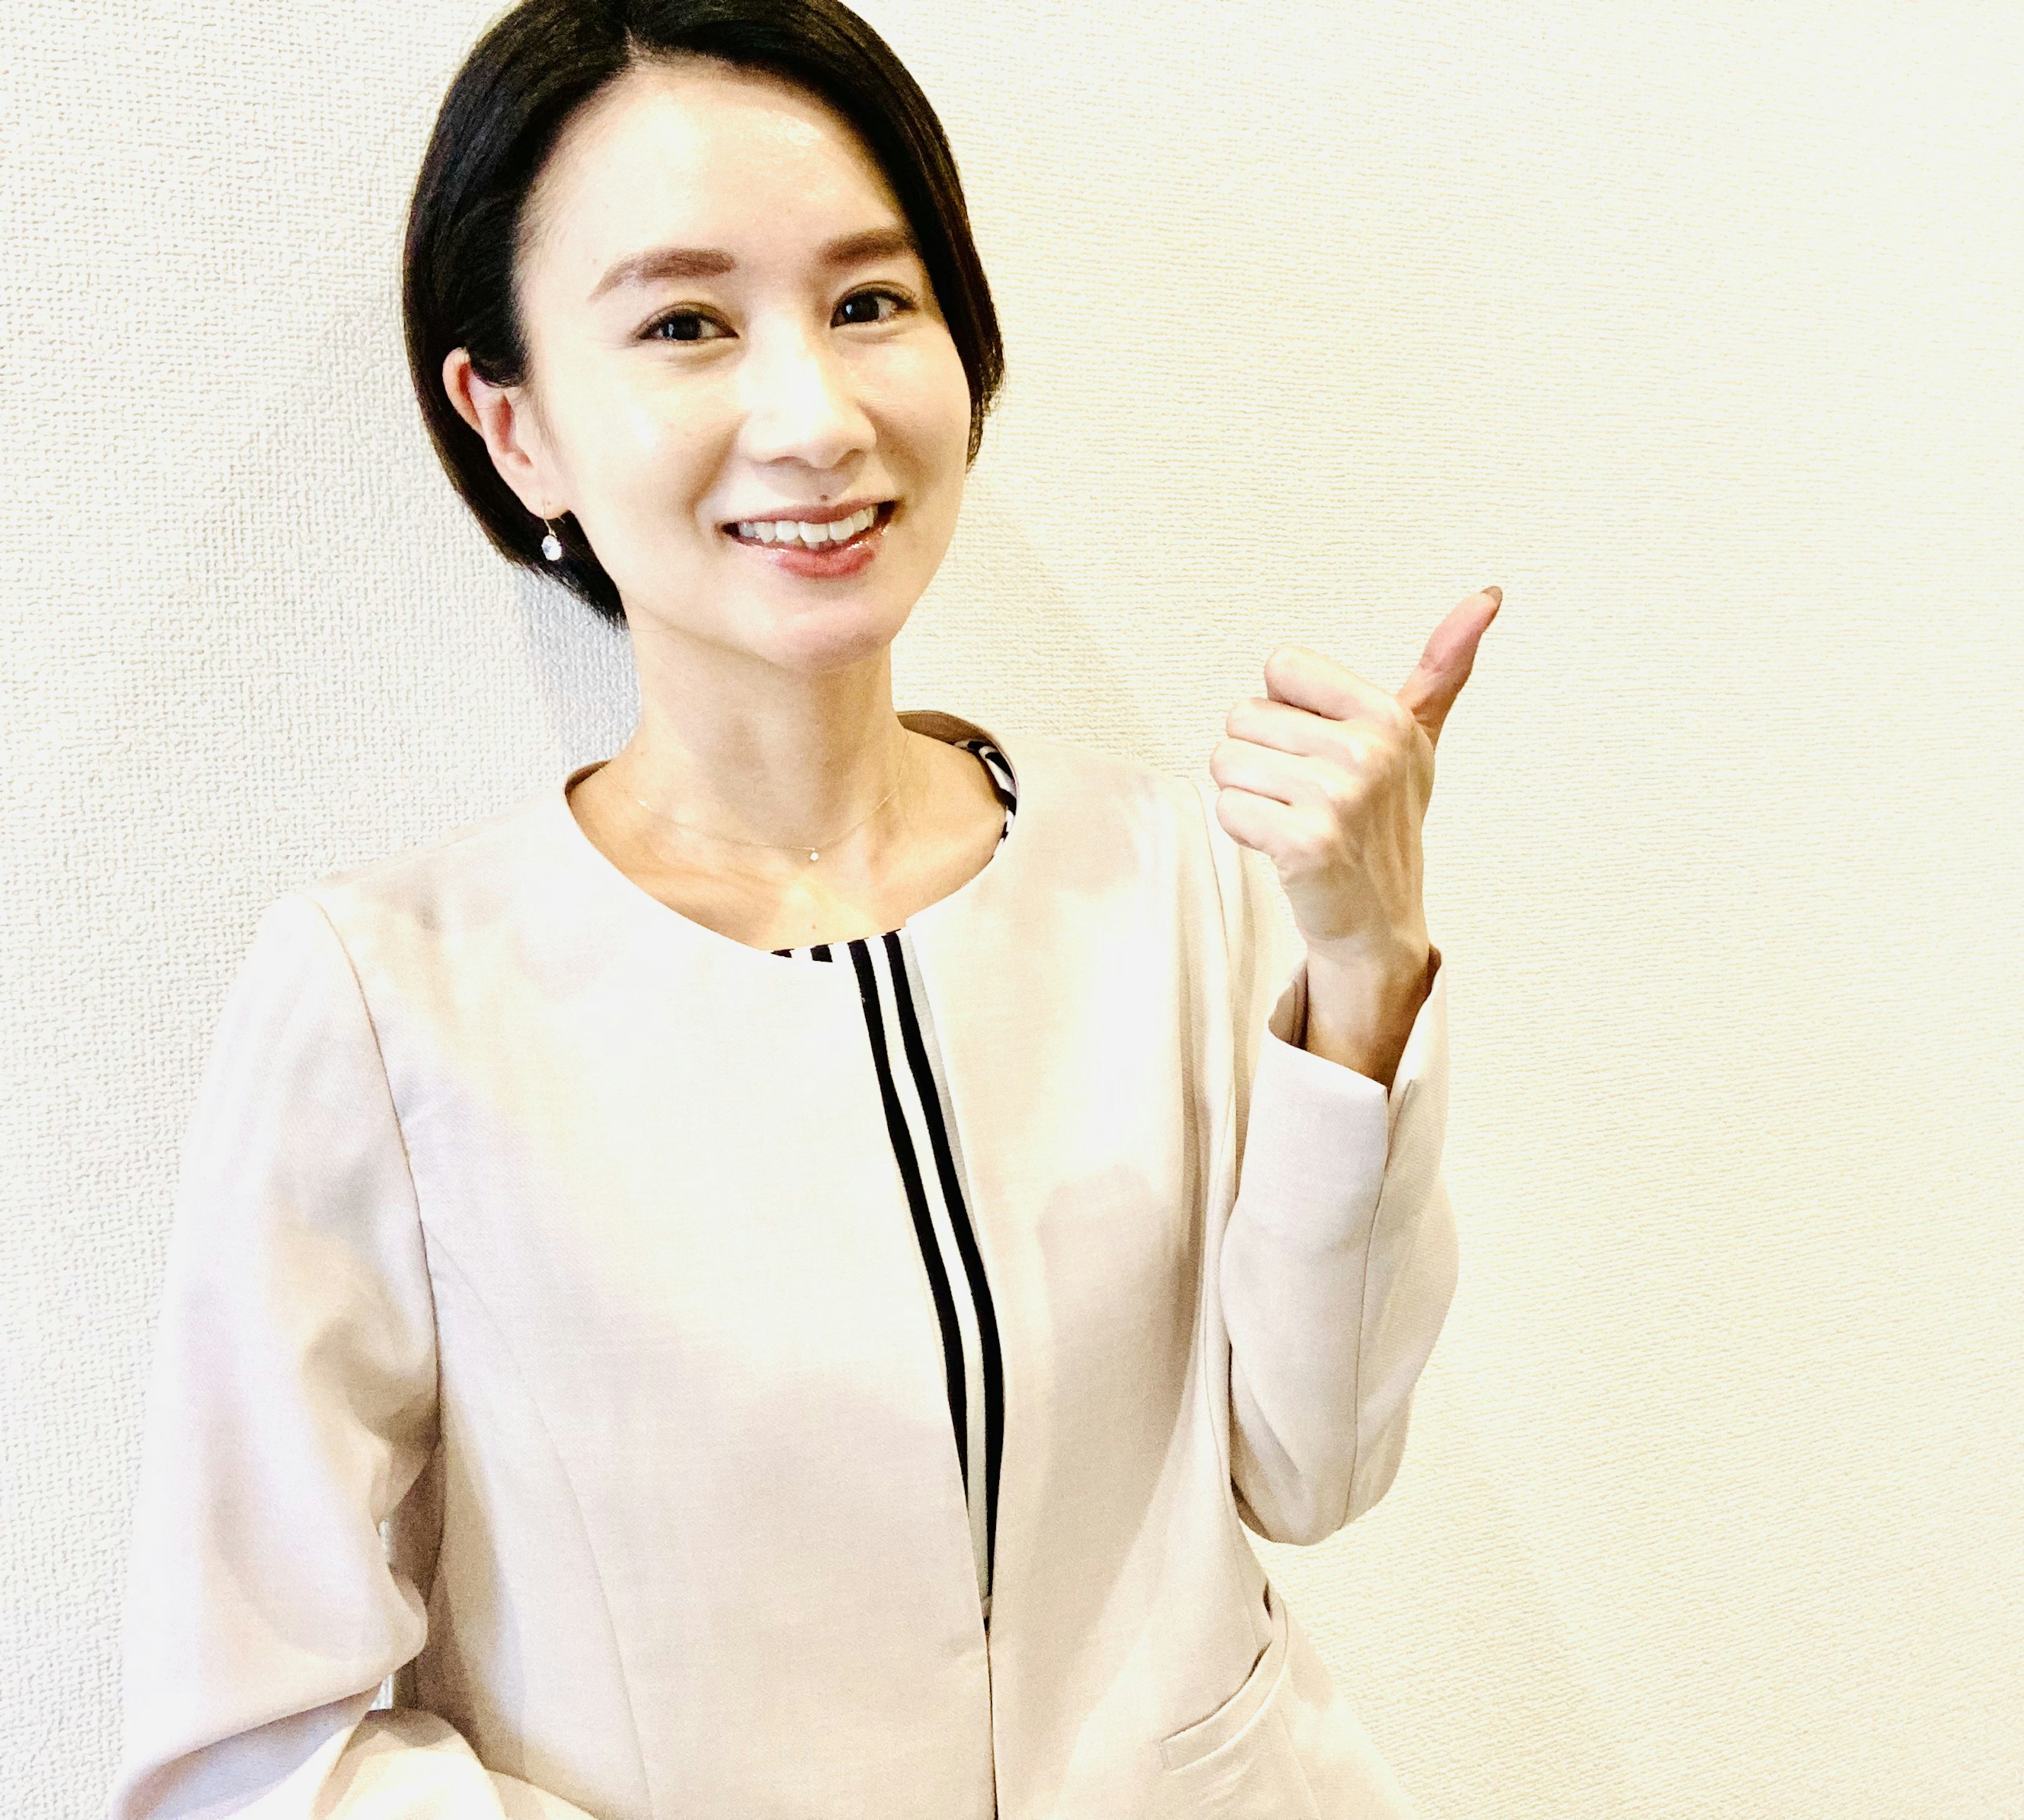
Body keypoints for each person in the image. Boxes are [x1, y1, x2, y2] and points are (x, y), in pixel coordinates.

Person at [105, 2, 1498, 1815]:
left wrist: (1363, 965)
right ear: (512, 421)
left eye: (868, 302)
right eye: (687, 323)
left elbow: (1310, 1471)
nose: (812, 416)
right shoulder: (392, 1007)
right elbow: (250, 1752)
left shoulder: (1166, 876)